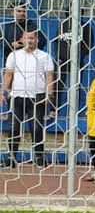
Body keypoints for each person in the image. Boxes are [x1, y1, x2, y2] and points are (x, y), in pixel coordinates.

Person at [2, 30, 56, 168]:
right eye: (27, 38)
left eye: (32, 38)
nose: (30, 41)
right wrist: (2, 92)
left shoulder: (45, 56)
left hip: (37, 95)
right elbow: (8, 74)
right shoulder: (14, 55)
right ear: (22, 40)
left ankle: (38, 158)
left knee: (36, 128)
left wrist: (49, 94)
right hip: (17, 96)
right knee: (14, 128)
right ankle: (11, 158)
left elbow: (49, 76)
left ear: (37, 40)